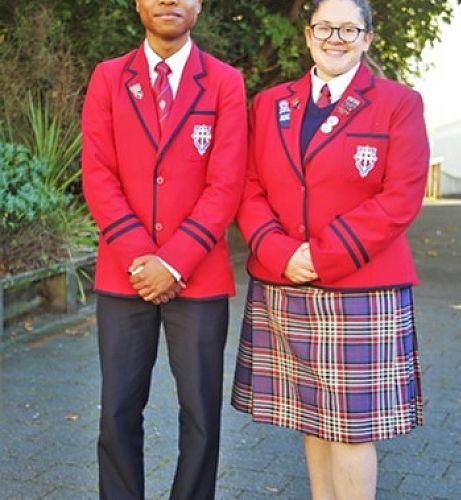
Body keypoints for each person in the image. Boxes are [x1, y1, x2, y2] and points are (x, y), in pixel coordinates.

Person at [231, 0, 429, 498]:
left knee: (351, 430)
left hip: (360, 288)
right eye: (324, 27)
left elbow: (401, 197)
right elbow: (248, 186)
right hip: (284, 283)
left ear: (367, 38)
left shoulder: (399, 103)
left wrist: (321, 256)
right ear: (307, 35)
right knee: (312, 419)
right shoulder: (269, 103)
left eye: (348, 29)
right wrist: (279, 252)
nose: (334, 38)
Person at [81, 0, 247, 498]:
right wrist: (142, 259)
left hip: (198, 275)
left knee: (201, 415)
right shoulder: (109, 77)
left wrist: (173, 262)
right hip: (124, 274)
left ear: (200, 5)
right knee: (117, 412)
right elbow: (98, 175)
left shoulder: (224, 82)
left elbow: (226, 183)